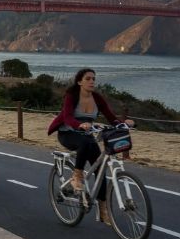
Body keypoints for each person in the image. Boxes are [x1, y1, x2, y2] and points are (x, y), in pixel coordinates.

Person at [47, 68, 134, 225]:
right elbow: (66, 117)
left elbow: (111, 118)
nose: (92, 81)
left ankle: (103, 210)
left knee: (101, 170)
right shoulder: (72, 96)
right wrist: (80, 125)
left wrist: (123, 123)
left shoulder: (97, 98)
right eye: (88, 79)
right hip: (67, 133)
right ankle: (77, 176)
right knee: (85, 142)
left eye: (93, 78)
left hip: (86, 135)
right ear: (80, 81)